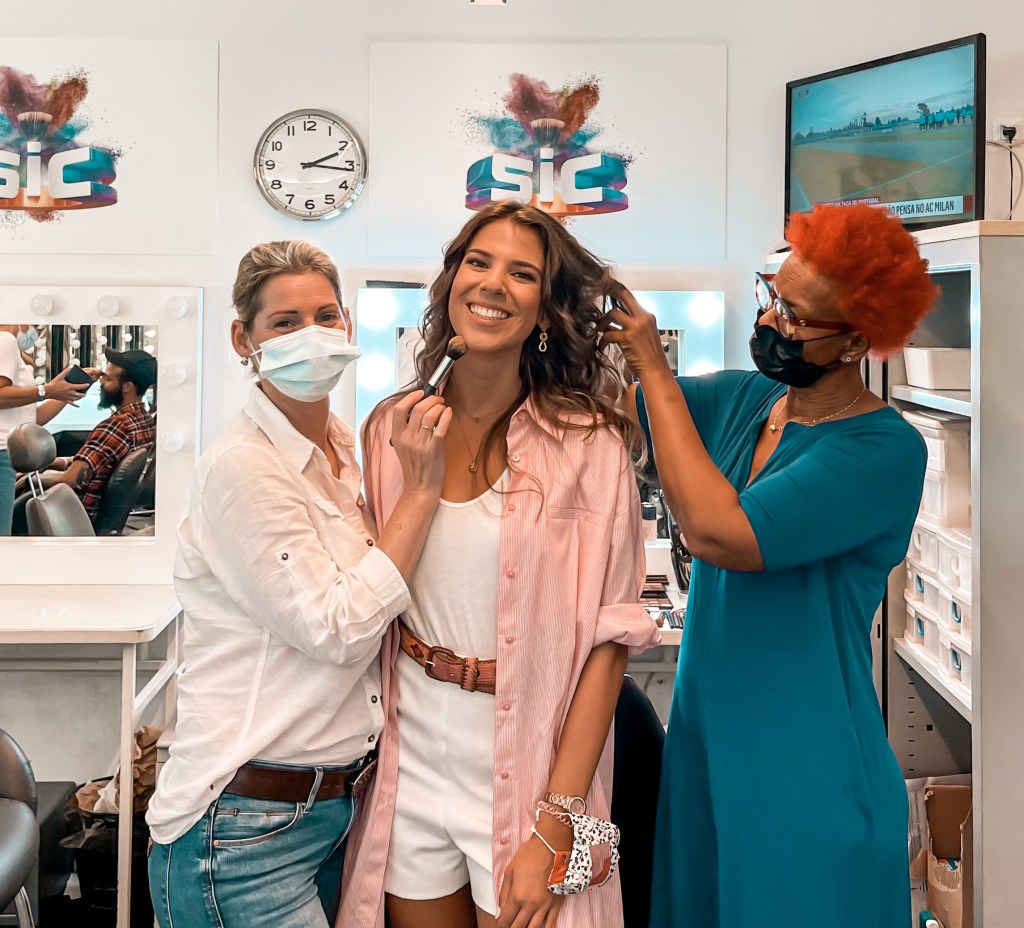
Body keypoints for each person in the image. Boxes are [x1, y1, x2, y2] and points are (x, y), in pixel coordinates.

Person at [601, 202, 936, 928]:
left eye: (794, 315)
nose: (770, 321)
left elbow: (721, 534)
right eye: (771, 297)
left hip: (804, 763)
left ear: (855, 342)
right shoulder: (749, 400)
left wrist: (653, 364)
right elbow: (615, 412)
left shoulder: (882, 451)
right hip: (705, 746)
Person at [339, 201, 661, 928]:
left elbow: (610, 643)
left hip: (535, 770)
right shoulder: (391, 426)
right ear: (452, 281)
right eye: (478, 263)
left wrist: (559, 821)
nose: (492, 284)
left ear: (545, 311)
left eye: (522, 274)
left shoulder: (591, 445)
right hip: (410, 760)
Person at [146, 240, 451, 928]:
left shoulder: (346, 450)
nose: (311, 335)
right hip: (242, 831)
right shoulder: (244, 467)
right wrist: (422, 492)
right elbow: (336, 629)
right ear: (243, 339)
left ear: (347, 324)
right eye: (285, 323)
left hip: (335, 811)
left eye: (324, 316)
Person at [31, 348, 157, 523]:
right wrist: (59, 462)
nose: (101, 383)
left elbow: (71, 480)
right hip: (95, 516)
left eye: (107, 378)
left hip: (73, 516)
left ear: (127, 387)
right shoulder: (144, 421)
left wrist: (31, 481)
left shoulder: (115, 427)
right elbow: (101, 461)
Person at [0, 323, 91, 534]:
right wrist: (46, 390)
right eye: (38, 328)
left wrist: (64, 392)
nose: (37, 334)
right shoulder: (6, 340)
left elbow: (32, 418)